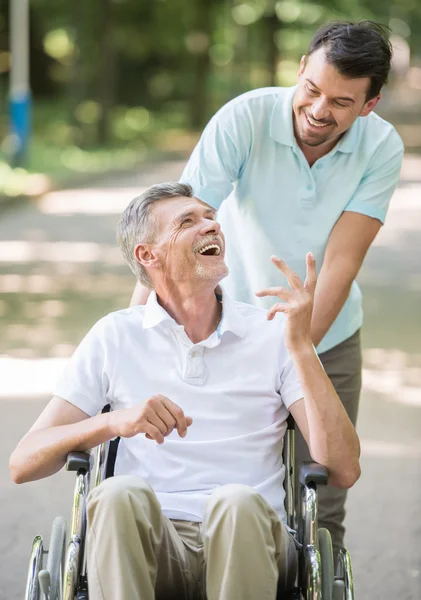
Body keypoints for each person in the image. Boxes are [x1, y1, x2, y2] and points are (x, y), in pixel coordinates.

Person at [130, 20, 404, 556]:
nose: (320, 109)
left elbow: (341, 265)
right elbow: (174, 232)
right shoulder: (244, 118)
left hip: (325, 334)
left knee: (319, 497)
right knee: (211, 477)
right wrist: (136, 336)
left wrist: (292, 351)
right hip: (225, 329)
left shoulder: (381, 147)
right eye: (312, 89)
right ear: (300, 70)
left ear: (369, 105)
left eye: (342, 102)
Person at [10, 183, 361, 600]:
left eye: (211, 216)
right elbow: (23, 463)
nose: (211, 226)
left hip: (252, 540)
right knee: (116, 494)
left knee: (235, 503)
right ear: (147, 254)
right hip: (152, 543)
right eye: (188, 221)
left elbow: (343, 468)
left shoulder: (273, 334)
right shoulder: (115, 336)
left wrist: (302, 346)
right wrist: (111, 422)